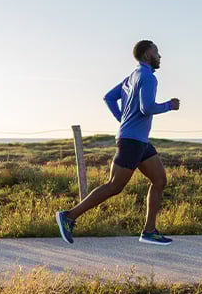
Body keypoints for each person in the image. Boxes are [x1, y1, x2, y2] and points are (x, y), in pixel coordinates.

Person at [57, 40, 180, 245]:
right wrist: (170, 105)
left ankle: (149, 231)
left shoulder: (131, 77)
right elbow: (147, 108)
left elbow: (109, 98)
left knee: (159, 180)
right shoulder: (148, 77)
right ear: (148, 54)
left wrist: (122, 119)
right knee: (114, 186)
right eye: (157, 52)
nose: (160, 56)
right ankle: (69, 216)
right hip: (132, 141)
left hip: (139, 141)